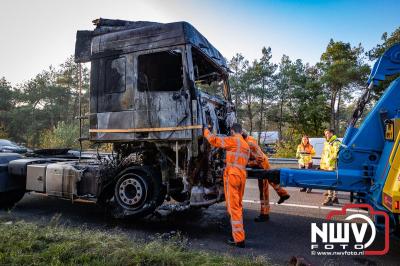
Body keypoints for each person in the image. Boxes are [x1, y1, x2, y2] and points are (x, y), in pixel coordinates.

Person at [203, 123, 249, 248]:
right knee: (238, 205)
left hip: (233, 176)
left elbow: (214, 140)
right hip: (242, 176)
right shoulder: (245, 144)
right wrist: (225, 161)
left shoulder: (233, 140)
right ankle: (237, 233)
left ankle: (239, 239)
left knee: (233, 208)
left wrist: (206, 130)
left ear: (233, 131)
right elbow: (238, 159)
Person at [242, 130, 290, 222]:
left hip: (262, 167)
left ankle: (264, 214)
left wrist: (248, 163)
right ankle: (283, 194)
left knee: (263, 191)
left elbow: (260, 158)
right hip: (262, 165)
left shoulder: (249, 144)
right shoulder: (249, 140)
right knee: (272, 181)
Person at [320, 129, 341, 206]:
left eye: (328, 133)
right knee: (333, 181)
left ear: (332, 133)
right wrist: (323, 164)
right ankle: (335, 198)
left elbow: (336, 154)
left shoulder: (336, 142)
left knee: (331, 181)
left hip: (332, 165)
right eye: (325, 134)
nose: (326, 135)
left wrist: (329, 160)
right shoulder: (327, 142)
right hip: (327, 165)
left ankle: (330, 198)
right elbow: (324, 154)